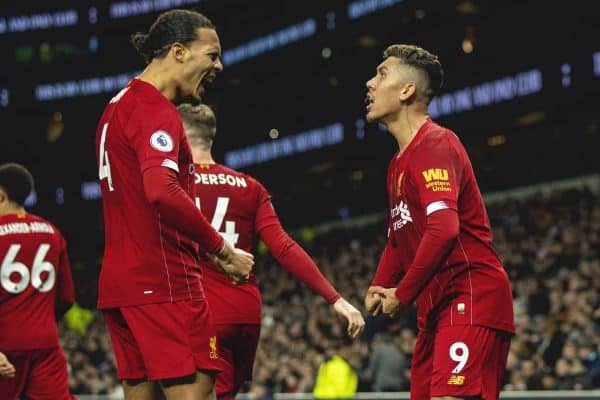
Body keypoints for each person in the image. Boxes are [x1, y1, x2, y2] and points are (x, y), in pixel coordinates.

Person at [94, 9, 254, 400]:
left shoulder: (116, 107)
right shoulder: (155, 109)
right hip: (165, 283)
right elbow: (162, 190)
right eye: (211, 54)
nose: (219, 65)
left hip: (122, 284)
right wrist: (222, 248)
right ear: (179, 52)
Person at [178, 103, 365, 400]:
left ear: (179, 137)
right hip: (246, 314)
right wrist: (336, 298)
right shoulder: (250, 186)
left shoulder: (174, 187)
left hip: (203, 309)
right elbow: (283, 245)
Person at [363, 44, 515, 400]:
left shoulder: (436, 143)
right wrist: (379, 285)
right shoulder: (397, 163)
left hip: (470, 294)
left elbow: (444, 228)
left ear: (407, 90)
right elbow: (397, 240)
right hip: (434, 308)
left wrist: (401, 294)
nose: (370, 83)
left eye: (381, 73)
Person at [0, 163, 75, 399]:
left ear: (0, 195)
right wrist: (37, 320)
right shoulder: (51, 232)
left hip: (4, 347)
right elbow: (66, 297)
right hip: (45, 345)